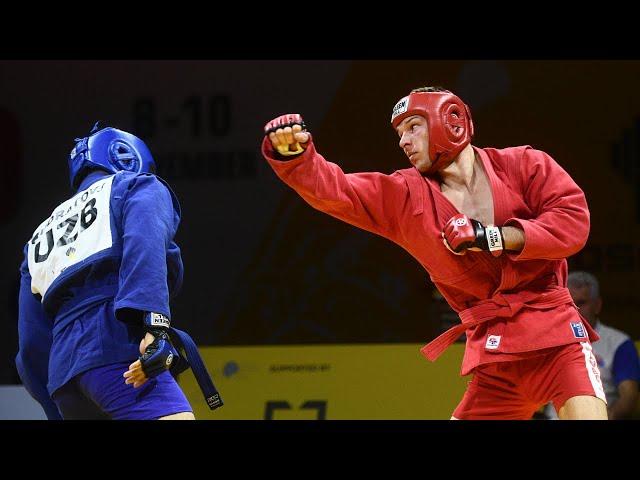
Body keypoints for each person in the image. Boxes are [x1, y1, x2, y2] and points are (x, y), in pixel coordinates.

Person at [261, 86, 607, 420]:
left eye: (413, 127)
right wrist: (296, 159)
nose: (403, 141)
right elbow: (338, 192)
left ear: (451, 121)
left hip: (558, 340)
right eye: (399, 133)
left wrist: (494, 237)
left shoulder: (524, 164)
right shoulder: (405, 196)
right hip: (495, 359)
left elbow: (572, 223)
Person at [16, 123, 221, 420]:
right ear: (127, 157)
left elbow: (30, 344)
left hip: (64, 379)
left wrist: (55, 402)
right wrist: (155, 325)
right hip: (118, 348)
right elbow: (145, 244)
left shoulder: (38, 237)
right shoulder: (135, 186)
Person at [544, 271, 640, 419]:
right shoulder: (548, 340)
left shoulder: (619, 342)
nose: (574, 309)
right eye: (569, 303)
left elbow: (629, 397)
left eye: (581, 303)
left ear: (597, 305)